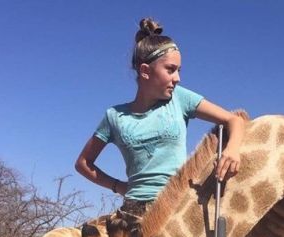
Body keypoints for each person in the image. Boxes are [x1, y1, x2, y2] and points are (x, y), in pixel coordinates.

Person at [75, 17, 246, 217]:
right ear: (145, 71)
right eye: (171, 70)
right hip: (135, 209)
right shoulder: (114, 116)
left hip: (178, 206)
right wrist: (119, 186)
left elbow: (234, 120)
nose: (178, 78)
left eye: (179, 70)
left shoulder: (180, 99)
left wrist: (232, 150)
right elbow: (83, 163)